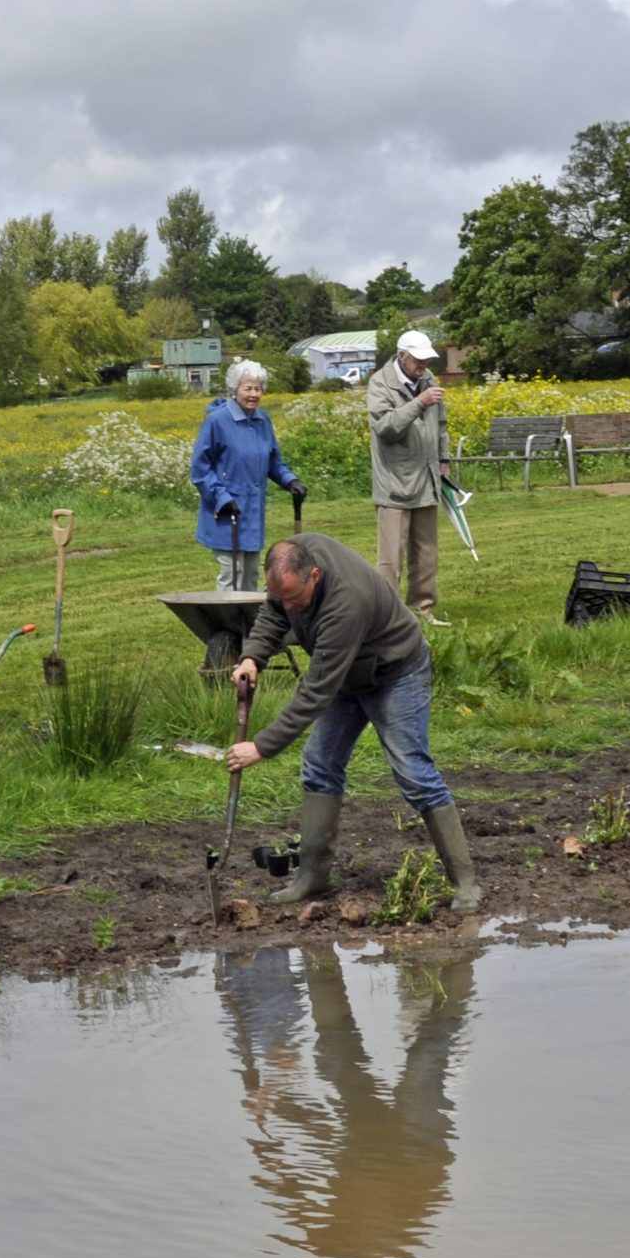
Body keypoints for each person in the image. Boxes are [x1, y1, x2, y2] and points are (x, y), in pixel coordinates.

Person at [226, 533, 480, 911]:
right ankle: (313, 878)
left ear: (314, 574)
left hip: (395, 673)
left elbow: (315, 691)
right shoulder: (290, 567)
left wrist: (262, 746)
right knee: (319, 767)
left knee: (414, 774)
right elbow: (275, 613)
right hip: (346, 673)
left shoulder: (347, 601)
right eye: (283, 597)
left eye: (296, 598)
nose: (291, 607)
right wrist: (253, 657)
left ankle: (465, 882)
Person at [191, 358, 305, 591]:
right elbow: (200, 467)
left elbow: (274, 461)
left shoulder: (263, 421)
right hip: (226, 513)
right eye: (248, 388)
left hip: (252, 513)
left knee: (251, 575)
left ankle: (251, 627)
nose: (253, 394)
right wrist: (221, 497)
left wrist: (290, 480)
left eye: (258, 388)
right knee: (232, 574)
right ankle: (227, 625)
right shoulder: (217, 421)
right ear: (235, 390)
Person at [366, 329, 453, 621]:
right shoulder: (380, 384)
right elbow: (386, 428)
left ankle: (422, 609)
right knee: (391, 558)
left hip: (427, 479)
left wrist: (444, 458)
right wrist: (418, 403)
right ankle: (389, 618)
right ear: (401, 356)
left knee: (427, 553)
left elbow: (441, 425)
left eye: (426, 360)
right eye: (418, 360)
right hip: (394, 484)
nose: (423, 366)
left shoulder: (428, 381)